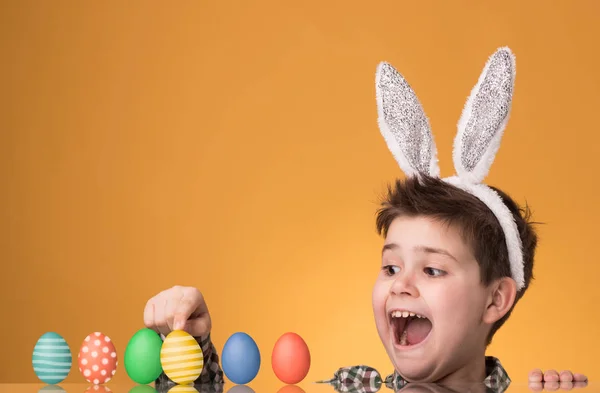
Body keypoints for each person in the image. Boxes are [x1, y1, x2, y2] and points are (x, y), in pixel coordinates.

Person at [143, 48, 588, 392]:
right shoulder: (355, 385)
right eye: (391, 267)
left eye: (432, 269)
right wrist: (191, 348)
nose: (401, 284)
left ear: (495, 300)